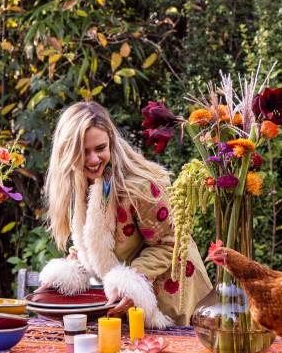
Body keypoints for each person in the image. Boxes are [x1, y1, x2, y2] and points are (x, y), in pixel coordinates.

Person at [39, 101, 211, 328]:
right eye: (83, 152)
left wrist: (130, 285)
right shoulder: (81, 183)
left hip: (175, 304)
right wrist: (61, 279)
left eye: (100, 148)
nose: (93, 159)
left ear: (111, 141)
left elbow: (171, 244)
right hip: (130, 309)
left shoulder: (139, 187)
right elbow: (94, 245)